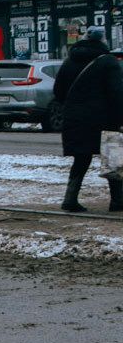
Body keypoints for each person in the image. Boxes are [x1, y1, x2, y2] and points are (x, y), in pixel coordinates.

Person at [53, 27, 123, 212]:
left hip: (75, 118)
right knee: (112, 157)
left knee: (81, 159)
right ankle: (117, 201)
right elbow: (116, 94)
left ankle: (70, 199)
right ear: (103, 40)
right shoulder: (108, 62)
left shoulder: (69, 61)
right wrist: (119, 118)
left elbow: (58, 92)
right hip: (104, 119)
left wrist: (74, 106)